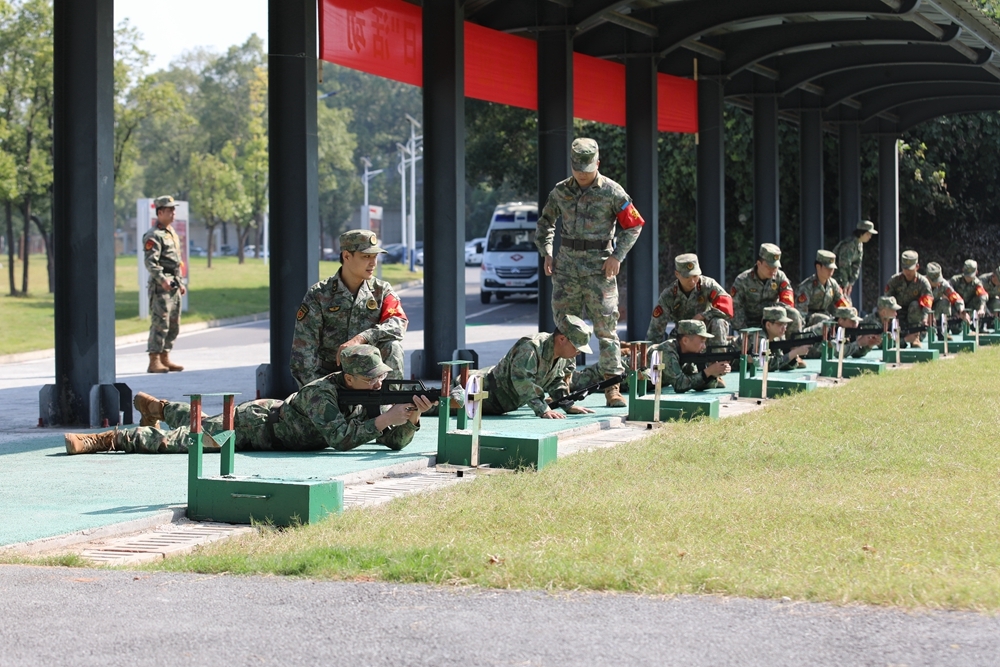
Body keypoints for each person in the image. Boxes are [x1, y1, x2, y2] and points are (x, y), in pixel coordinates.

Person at [64, 346, 433, 455]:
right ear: (349, 377)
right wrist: (389, 417)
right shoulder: (322, 393)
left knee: (202, 423)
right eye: (372, 379)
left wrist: (411, 418)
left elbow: (390, 443)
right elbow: (341, 439)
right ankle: (108, 439)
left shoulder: (363, 392)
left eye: (381, 377)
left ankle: (160, 409)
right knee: (189, 441)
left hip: (269, 421)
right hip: (252, 428)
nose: (379, 383)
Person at [536, 138, 645, 408]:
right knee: (565, 330)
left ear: (598, 163)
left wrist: (617, 255)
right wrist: (547, 251)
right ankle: (562, 387)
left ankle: (612, 389)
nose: (583, 173)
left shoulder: (613, 192)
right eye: (578, 168)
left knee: (606, 331)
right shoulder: (560, 191)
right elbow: (546, 222)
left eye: (588, 167)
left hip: (600, 268)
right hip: (567, 268)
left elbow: (634, 225)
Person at [290, 230, 407, 388]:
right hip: (332, 378)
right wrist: (317, 393)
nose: (373, 263)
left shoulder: (381, 290)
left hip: (372, 378)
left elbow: (399, 323)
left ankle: (391, 404)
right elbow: (302, 353)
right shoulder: (319, 295)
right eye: (366, 256)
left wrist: (363, 337)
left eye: (375, 256)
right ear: (346, 256)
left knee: (393, 346)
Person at [473, 315, 597, 419]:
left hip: (501, 405)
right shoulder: (530, 348)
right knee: (456, 404)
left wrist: (568, 405)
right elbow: (522, 380)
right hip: (481, 390)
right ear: (562, 339)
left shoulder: (565, 357)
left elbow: (556, 382)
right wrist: (543, 409)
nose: (579, 352)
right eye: (576, 346)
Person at [646, 253, 733, 348]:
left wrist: (703, 316)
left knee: (719, 322)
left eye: (695, 276)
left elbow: (726, 307)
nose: (692, 281)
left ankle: (718, 360)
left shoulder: (708, 285)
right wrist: (650, 353)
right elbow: (655, 329)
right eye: (687, 277)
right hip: (683, 337)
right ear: (677, 274)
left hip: (705, 334)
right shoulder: (669, 295)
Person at [142, 195, 187, 374]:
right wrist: (162, 279)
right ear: (160, 213)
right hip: (161, 286)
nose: (173, 213)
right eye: (169, 210)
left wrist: (180, 282)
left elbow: (175, 262)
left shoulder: (171, 233)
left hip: (174, 284)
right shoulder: (153, 235)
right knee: (160, 322)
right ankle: (154, 360)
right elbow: (151, 262)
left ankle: (165, 356)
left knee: (174, 323)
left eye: (173, 209)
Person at [730, 242, 804, 339]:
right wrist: (744, 332)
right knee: (759, 338)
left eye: (775, 267)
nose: (773, 271)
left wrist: (778, 324)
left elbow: (788, 304)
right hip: (751, 324)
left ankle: (795, 348)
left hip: (774, 321)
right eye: (769, 267)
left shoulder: (780, 277)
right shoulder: (742, 280)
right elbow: (735, 309)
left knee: (794, 314)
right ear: (759, 264)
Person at [647, 320, 730, 393]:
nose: (704, 346)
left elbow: (693, 383)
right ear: (685, 340)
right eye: (701, 341)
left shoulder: (688, 354)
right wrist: (708, 372)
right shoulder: (667, 351)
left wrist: (713, 375)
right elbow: (680, 385)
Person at [884, 250, 933, 346]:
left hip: (916, 317)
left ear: (917, 267)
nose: (908, 272)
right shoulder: (894, 281)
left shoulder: (923, 283)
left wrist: (925, 319)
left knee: (914, 305)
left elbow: (927, 304)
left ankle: (915, 338)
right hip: (898, 314)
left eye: (910, 269)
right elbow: (886, 300)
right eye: (905, 269)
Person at [794, 249, 851, 325]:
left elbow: (841, 302)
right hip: (810, 320)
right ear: (818, 267)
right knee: (825, 320)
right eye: (828, 268)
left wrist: (849, 314)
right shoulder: (807, 287)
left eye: (832, 269)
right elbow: (800, 313)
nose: (831, 271)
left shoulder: (833, 284)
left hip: (827, 318)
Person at [801, 306, 881, 359]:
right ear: (841, 320)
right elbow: (838, 352)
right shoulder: (828, 328)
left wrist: (869, 345)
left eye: (856, 321)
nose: (855, 324)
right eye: (852, 321)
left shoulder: (844, 330)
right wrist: (859, 343)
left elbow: (854, 353)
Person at [831, 220, 877, 297]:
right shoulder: (849, 245)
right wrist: (845, 283)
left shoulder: (859, 245)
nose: (870, 237)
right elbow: (843, 265)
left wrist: (851, 282)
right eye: (868, 234)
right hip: (836, 280)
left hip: (844, 282)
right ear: (861, 233)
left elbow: (857, 265)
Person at [761, 307, 812, 371]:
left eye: (785, 324)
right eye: (780, 324)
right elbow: (768, 365)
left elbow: (780, 363)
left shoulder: (776, 338)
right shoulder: (760, 339)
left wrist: (793, 358)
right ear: (768, 325)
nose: (784, 328)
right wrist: (794, 352)